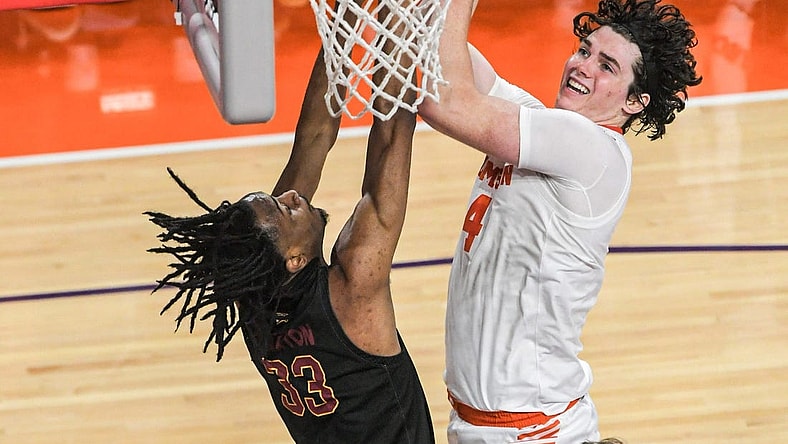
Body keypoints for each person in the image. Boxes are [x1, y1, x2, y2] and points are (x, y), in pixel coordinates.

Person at [418, 0, 701, 443]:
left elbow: (444, 102)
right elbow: (438, 49)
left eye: (606, 66)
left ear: (634, 101)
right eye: (584, 50)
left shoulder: (590, 148)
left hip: (532, 432)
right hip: (496, 423)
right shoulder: (547, 128)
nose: (583, 66)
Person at [145, 16, 435, 443]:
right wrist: (399, 20)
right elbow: (392, 132)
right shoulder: (353, 287)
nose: (294, 197)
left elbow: (315, 135)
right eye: (286, 209)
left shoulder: (256, 298)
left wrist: (345, 23)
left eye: (278, 199)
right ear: (295, 259)